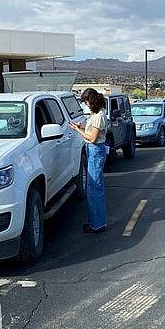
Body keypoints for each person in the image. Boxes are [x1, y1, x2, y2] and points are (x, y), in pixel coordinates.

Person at [70, 88, 108, 234]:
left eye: (86, 101)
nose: (85, 104)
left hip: (95, 150)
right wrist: (81, 126)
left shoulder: (99, 115)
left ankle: (97, 224)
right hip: (94, 150)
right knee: (94, 188)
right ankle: (97, 222)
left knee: (94, 189)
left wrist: (77, 131)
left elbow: (92, 138)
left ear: (90, 101)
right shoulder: (97, 114)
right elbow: (93, 130)